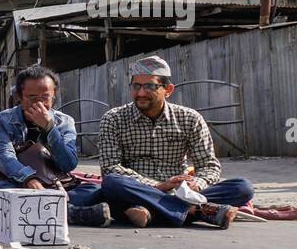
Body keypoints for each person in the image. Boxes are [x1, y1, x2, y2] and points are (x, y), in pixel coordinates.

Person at [96, 56, 254, 229]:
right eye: (136, 86)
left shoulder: (190, 119)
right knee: (112, 182)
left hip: (182, 192)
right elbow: (110, 167)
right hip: (137, 191)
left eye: (150, 86)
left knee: (243, 187)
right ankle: (196, 212)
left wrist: (197, 184)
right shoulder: (113, 118)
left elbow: (209, 165)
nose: (141, 93)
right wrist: (159, 186)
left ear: (168, 90)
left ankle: (151, 213)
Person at [0, 65, 111, 227]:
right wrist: (28, 179)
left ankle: (47, 211)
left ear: (53, 97)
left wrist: (49, 128)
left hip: (54, 183)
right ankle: (70, 213)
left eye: (45, 97)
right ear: (19, 96)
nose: (39, 103)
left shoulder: (65, 122)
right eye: (31, 98)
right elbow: (4, 156)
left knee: (93, 190)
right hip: (16, 182)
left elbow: (68, 163)